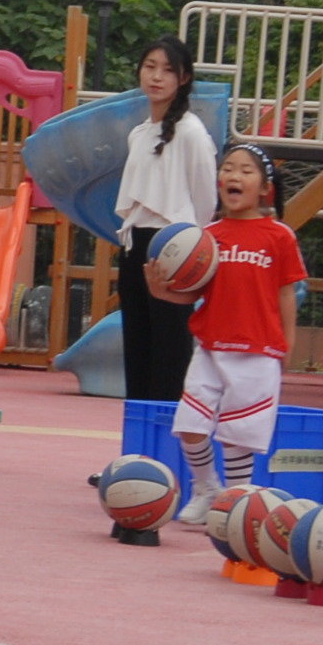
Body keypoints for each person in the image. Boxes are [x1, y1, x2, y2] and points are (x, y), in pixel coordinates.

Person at [172, 144, 303, 524]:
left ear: (265, 188)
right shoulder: (206, 237)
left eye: (246, 171)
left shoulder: (279, 236)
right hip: (210, 345)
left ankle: (235, 504)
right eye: (228, 168)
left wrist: (288, 341)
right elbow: (190, 292)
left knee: (238, 435)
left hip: (258, 349)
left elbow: (286, 292)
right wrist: (159, 285)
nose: (233, 175)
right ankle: (206, 488)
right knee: (190, 426)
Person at [112, 39, 215, 405]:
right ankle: (138, 447)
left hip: (173, 248)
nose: (156, 76)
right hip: (133, 244)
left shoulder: (191, 132)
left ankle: (166, 444)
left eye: (168, 69)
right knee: (137, 348)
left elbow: (205, 201)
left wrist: (187, 244)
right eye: (150, 66)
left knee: (169, 353)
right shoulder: (138, 133)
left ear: (183, 78)